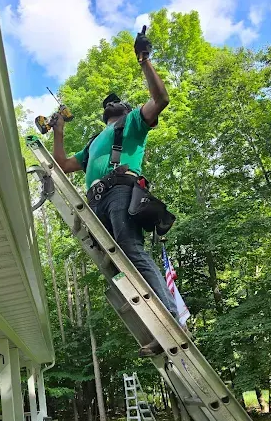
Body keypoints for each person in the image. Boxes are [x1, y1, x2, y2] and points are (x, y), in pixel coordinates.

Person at [51, 26, 179, 321]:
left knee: (131, 251)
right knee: (116, 267)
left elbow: (160, 99)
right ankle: (151, 329)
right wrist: (59, 132)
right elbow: (62, 165)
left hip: (121, 190)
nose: (110, 102)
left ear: (126, 108)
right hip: (95, 203)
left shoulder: (133, 121)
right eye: (106, 103)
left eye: (115, 100)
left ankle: (170, 316)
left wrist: (144, 59)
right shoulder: (94, 142)